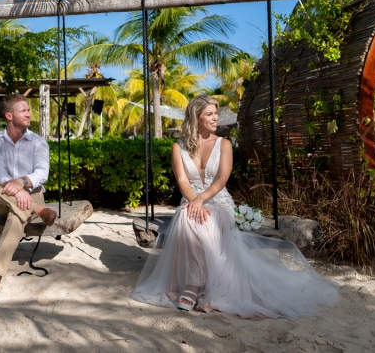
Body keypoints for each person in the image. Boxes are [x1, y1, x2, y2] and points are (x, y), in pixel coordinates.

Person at [131, 95, 340, 318]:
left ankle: (192, 286)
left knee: (204, 219)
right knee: (186, 214)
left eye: (216, 113)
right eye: (209, 114)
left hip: (219, 203)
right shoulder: (178, 147)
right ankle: (197, 284)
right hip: (190, 200)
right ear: (196, 117)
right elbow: (182, 180)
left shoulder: (224, 144)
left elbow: (221, 179)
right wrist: (194, 201)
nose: (215, 118)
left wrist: (201, 201)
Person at [0, 93, 58, 294]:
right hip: (5, 196)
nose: (29, 114)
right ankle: (38, 210)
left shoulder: (38, 142)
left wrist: (22, 183)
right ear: (9, 116)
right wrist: (15, 189)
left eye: (28, 110)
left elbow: (41, 173)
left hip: (32, 192)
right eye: (24, 110)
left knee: (16, 217)